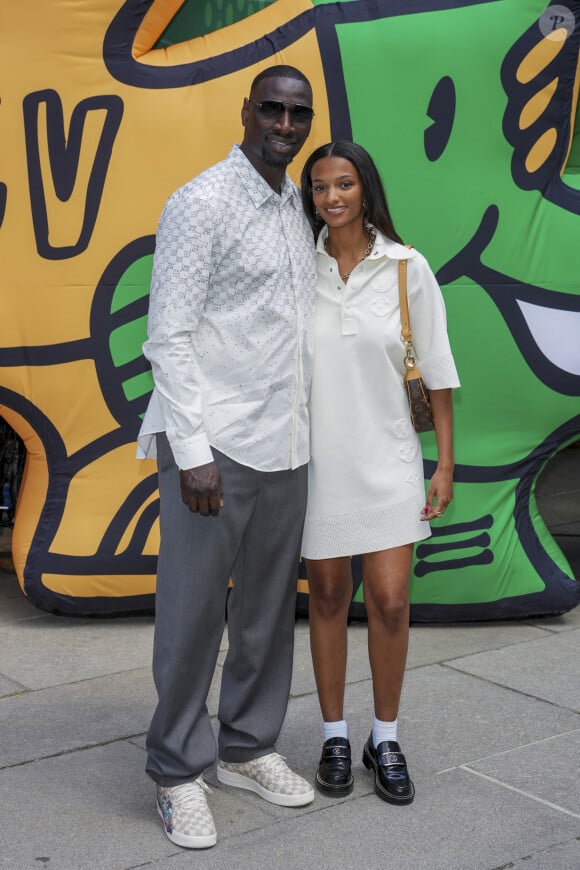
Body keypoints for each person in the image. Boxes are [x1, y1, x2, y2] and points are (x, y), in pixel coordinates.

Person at [137, 65, 318, 850]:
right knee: (190, 616)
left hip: (286, 442)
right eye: (272, 108)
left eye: (297, 112)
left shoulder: (295, 206)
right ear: (245, 112)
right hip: (213, 450)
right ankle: (177, 770)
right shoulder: (201, 201)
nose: (284, 122)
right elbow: (167, 335)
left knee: (267, 616)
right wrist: (193, 452)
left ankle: (245, 747)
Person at [299, 141, 460, 805]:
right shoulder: (296, 267)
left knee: (391, 600)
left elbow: (440, 372)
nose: (331, 198)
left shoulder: (406, 267)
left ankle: (384, 738)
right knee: (330, 599)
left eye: (343, 184)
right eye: (318, 187)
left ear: (366, 189)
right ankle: (335, 735)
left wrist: (445, 462)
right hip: (315, 462)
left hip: (390, 456)